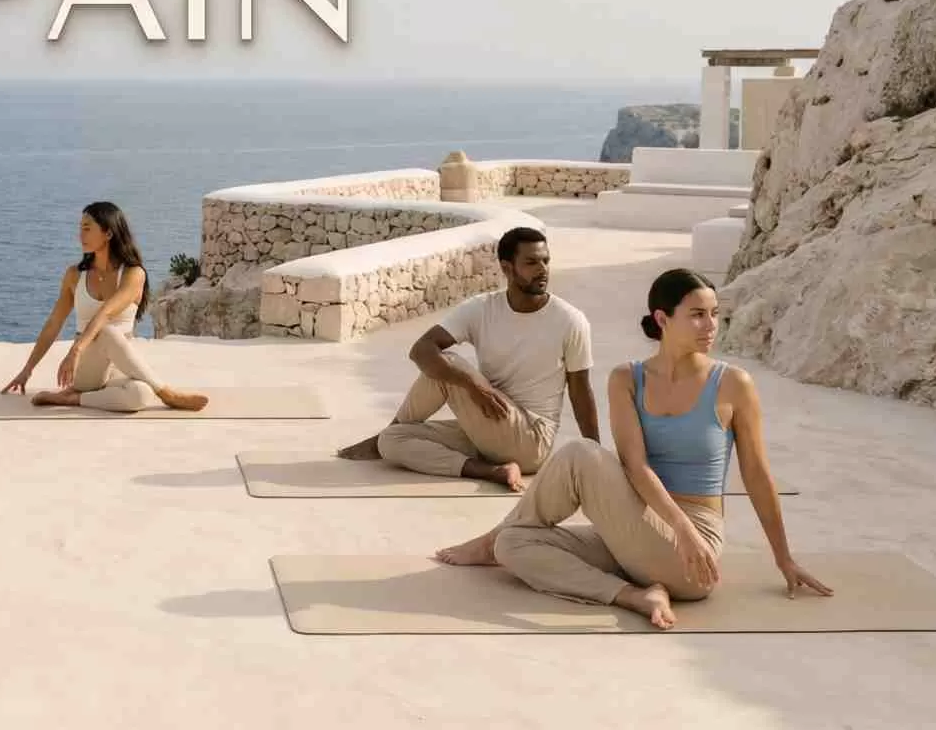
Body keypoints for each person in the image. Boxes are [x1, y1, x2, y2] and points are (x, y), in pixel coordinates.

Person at [433, 268, 833, 629]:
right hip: (639, 529)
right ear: (662, 319)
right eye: (697, 314)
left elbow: (758, 475)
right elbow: (636, 468)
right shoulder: (627, 379)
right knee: (514, 545)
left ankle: (491, 540)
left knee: (579, 454)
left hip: (692, 552)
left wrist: (783, 558)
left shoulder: (733, 384)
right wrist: (675, 529)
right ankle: (634, 595)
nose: (710, 325)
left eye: (715, 314)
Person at [337, 226, 596, 491]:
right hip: (489, 424)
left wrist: (594, 455)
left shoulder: (569, 321)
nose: (542, 270)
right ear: (507, 268)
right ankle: (492, 471)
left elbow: (580, 391)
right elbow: (420, 349)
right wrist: (471, 385)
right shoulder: (483, 308)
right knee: (392, 440)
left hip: (531, 438)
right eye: (531, 262)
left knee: (447, 363)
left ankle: (390, 432)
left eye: (545, 261)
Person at [1, 201, 209, 412]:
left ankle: (71, 399)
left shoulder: (133, 274)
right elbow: (54, 323)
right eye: (80, 228)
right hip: (87, 366)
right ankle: (167, 394)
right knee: (107, 330)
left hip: (120, 365)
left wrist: (74, 350)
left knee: (140, 395)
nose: (80, 235)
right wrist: (28, 369)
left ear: (108, 233)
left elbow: (107, 311)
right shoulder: (74, 275)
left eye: (87, 228)